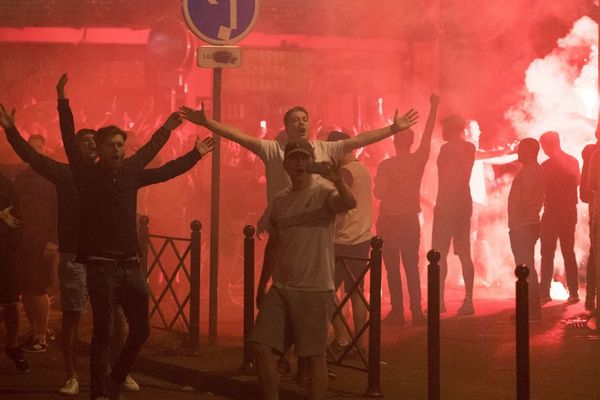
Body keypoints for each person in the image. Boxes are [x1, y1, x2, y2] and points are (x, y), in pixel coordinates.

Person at [0, 74, 183, 394]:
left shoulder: (123, 174)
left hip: (123, 263)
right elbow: (38, 154)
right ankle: (82, 380)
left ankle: (116, 375)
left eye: (117, 144)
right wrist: (27, 121)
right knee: (86, 322)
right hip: (85, 258)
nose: (110, 148)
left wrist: (178, 139)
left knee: (128, 326)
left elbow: (157, 162)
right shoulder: (73, 173)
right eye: (102, 144)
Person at [56, 73, 215, 400]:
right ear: (99, 149)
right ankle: (98, 392)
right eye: (111, 145)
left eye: (120, 145)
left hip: (130, 265)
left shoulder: (130, 172)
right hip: (100, 266)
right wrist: (63, 101)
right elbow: (69, 138)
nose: (117, 149)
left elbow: (161, 167)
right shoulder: (86, 174)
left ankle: (117, 375)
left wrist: (190, 149)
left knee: (140, 330)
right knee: (102, 331)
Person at [249, 138, 357, 400]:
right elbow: (273, 245)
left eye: (303, 158)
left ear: (310, 162)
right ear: (285, 164)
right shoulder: (280, 200)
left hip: (314, 287)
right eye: (294, 158)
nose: (299, 163)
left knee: (312, 357)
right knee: (260, 346)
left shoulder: (323, 193)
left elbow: (348, 202)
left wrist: (338, 181)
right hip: (282, 287)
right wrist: (263, 284)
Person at [374, 94, 439, 324]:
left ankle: (398, 312)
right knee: (411, 267)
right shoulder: (417, 160)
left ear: (394, 142)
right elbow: (428, 135)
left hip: (389, 220)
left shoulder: (386, 165)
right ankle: (417, 312)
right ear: (411, 142)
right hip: (410, 220)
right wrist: (434, 108)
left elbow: (378, 194)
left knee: (392, 268)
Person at [327, 130, 371, 357]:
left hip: (343, 239)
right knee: (357, 292)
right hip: (362, 237)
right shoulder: (363, 169)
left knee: (326, 290)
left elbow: (337, 203)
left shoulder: (344, 172)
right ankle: (360, 343)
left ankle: (343, 337)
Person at [13, 133, 59, 353]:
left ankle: (41, 335)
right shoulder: (22, 177)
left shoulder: (52, 176)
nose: (34, 151)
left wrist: (53, 240)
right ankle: (36, 331)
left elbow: (59, 211)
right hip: (25, 240)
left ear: (45, 148)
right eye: (30, 147)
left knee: (39, 288)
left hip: (43, 241)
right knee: (28, 288)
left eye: (38, 147)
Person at [432, 114, 476, 315]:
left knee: (439, 254)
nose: (442, 131)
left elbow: (447, 177)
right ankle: (468, 300)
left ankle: (439, 301)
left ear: (454, 128)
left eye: (445, 127)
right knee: (464, 252)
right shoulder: (469, 148)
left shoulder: (447, 149)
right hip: (463, 204)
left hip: (447, 205)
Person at [538, 131, 580, 304]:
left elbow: (541, 190)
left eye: (543, 145)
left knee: (547, 253)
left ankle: (544, 292)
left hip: (552, 212)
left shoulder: (545, 166)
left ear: (548, 145)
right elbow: (577, 183)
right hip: (569, 211)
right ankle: (574, 292)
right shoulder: (573, 161)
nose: (543, 149)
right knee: (568, 251)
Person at [507, 138, 544, 322]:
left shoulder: (531, 172)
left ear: (529, 152)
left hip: (524, 226)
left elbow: (525, 201)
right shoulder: (530, 171)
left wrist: (517, 223)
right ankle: (526, 309)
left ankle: (533, 312)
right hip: (524, 224)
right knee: (525, 268)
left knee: (526, 268)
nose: (518, 152)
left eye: (521, 149)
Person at [0, 172, 28, 372]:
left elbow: (19, 215)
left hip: (7, 252)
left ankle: (12, 345)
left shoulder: (7, 182)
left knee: (11, 303)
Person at [580, 129, 599, 312]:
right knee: (595, 255)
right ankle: (592, 298)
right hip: (596, 212)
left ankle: (591, 297)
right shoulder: (593, 154)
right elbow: (589, 186)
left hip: (596, 212)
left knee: (595, 255)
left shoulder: (592, 154)